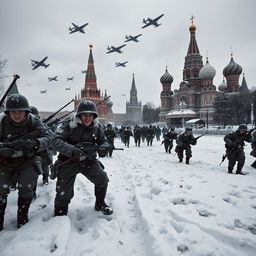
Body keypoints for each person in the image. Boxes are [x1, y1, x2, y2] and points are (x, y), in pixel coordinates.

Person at [51, 100, 113, 216]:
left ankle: (100, 204)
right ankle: (60, 213)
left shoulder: (96, 127)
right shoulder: (68, 125)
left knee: (102, 179)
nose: (87, 118)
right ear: (79, 115)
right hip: (68, 161)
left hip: (88, 161)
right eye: (85, 114)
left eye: (90, 115)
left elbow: (104, 142)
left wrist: (104, 148)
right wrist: (72, 150)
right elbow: (55, 141)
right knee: (63, 193)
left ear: (94, 116)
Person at [0, 94, 51, 231]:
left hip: (27, 159)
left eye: (20, 112)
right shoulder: (1, 122)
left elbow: (49, 137)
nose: (17, 115)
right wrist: (3, 150)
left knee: (26, 187)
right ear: (8, 112)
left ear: (26, 112)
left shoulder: (34, 122)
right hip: (5, 161)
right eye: (13, 112)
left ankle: (22, 217)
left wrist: (35, 144)